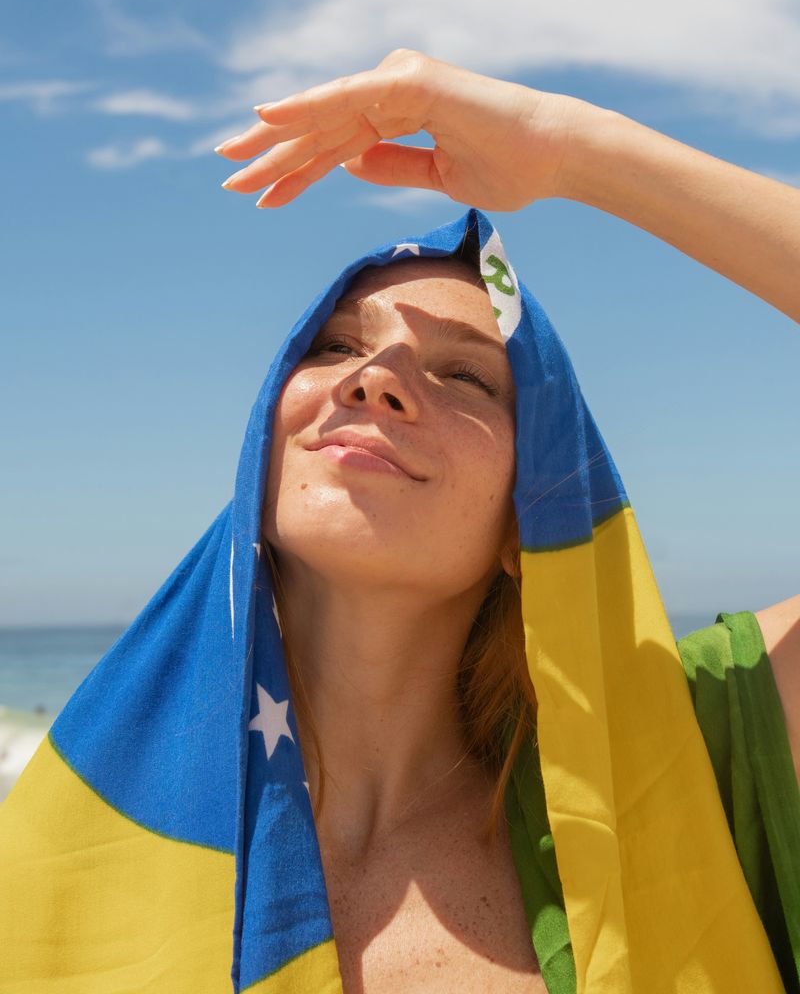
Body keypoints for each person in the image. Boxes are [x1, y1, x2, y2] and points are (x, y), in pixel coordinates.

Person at [0, 49, 798, 993]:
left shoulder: (673, 765)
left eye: (464, 374)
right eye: (335, 346)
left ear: (530, 519)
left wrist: (577, 150)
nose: (374, 379)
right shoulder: (65, 837)